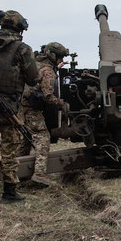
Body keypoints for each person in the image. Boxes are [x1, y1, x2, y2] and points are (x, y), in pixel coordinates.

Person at [0, 10, 39, 204]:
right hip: (9, 109)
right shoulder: (23, 49)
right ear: (19, 28)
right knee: (10, 151)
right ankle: (10, 192)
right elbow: (33, 78)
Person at [19, 42, 70, 187]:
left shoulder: (36, 64)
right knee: (43, 138)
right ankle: (39, 174)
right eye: (59, 57)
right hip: (31, 109)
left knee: (25, 140)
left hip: (20, 108)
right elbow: (48, 97)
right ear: (53, 56)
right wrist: (61, 102)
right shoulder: (48, 71)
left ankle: (16, 174)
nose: (60, 60)